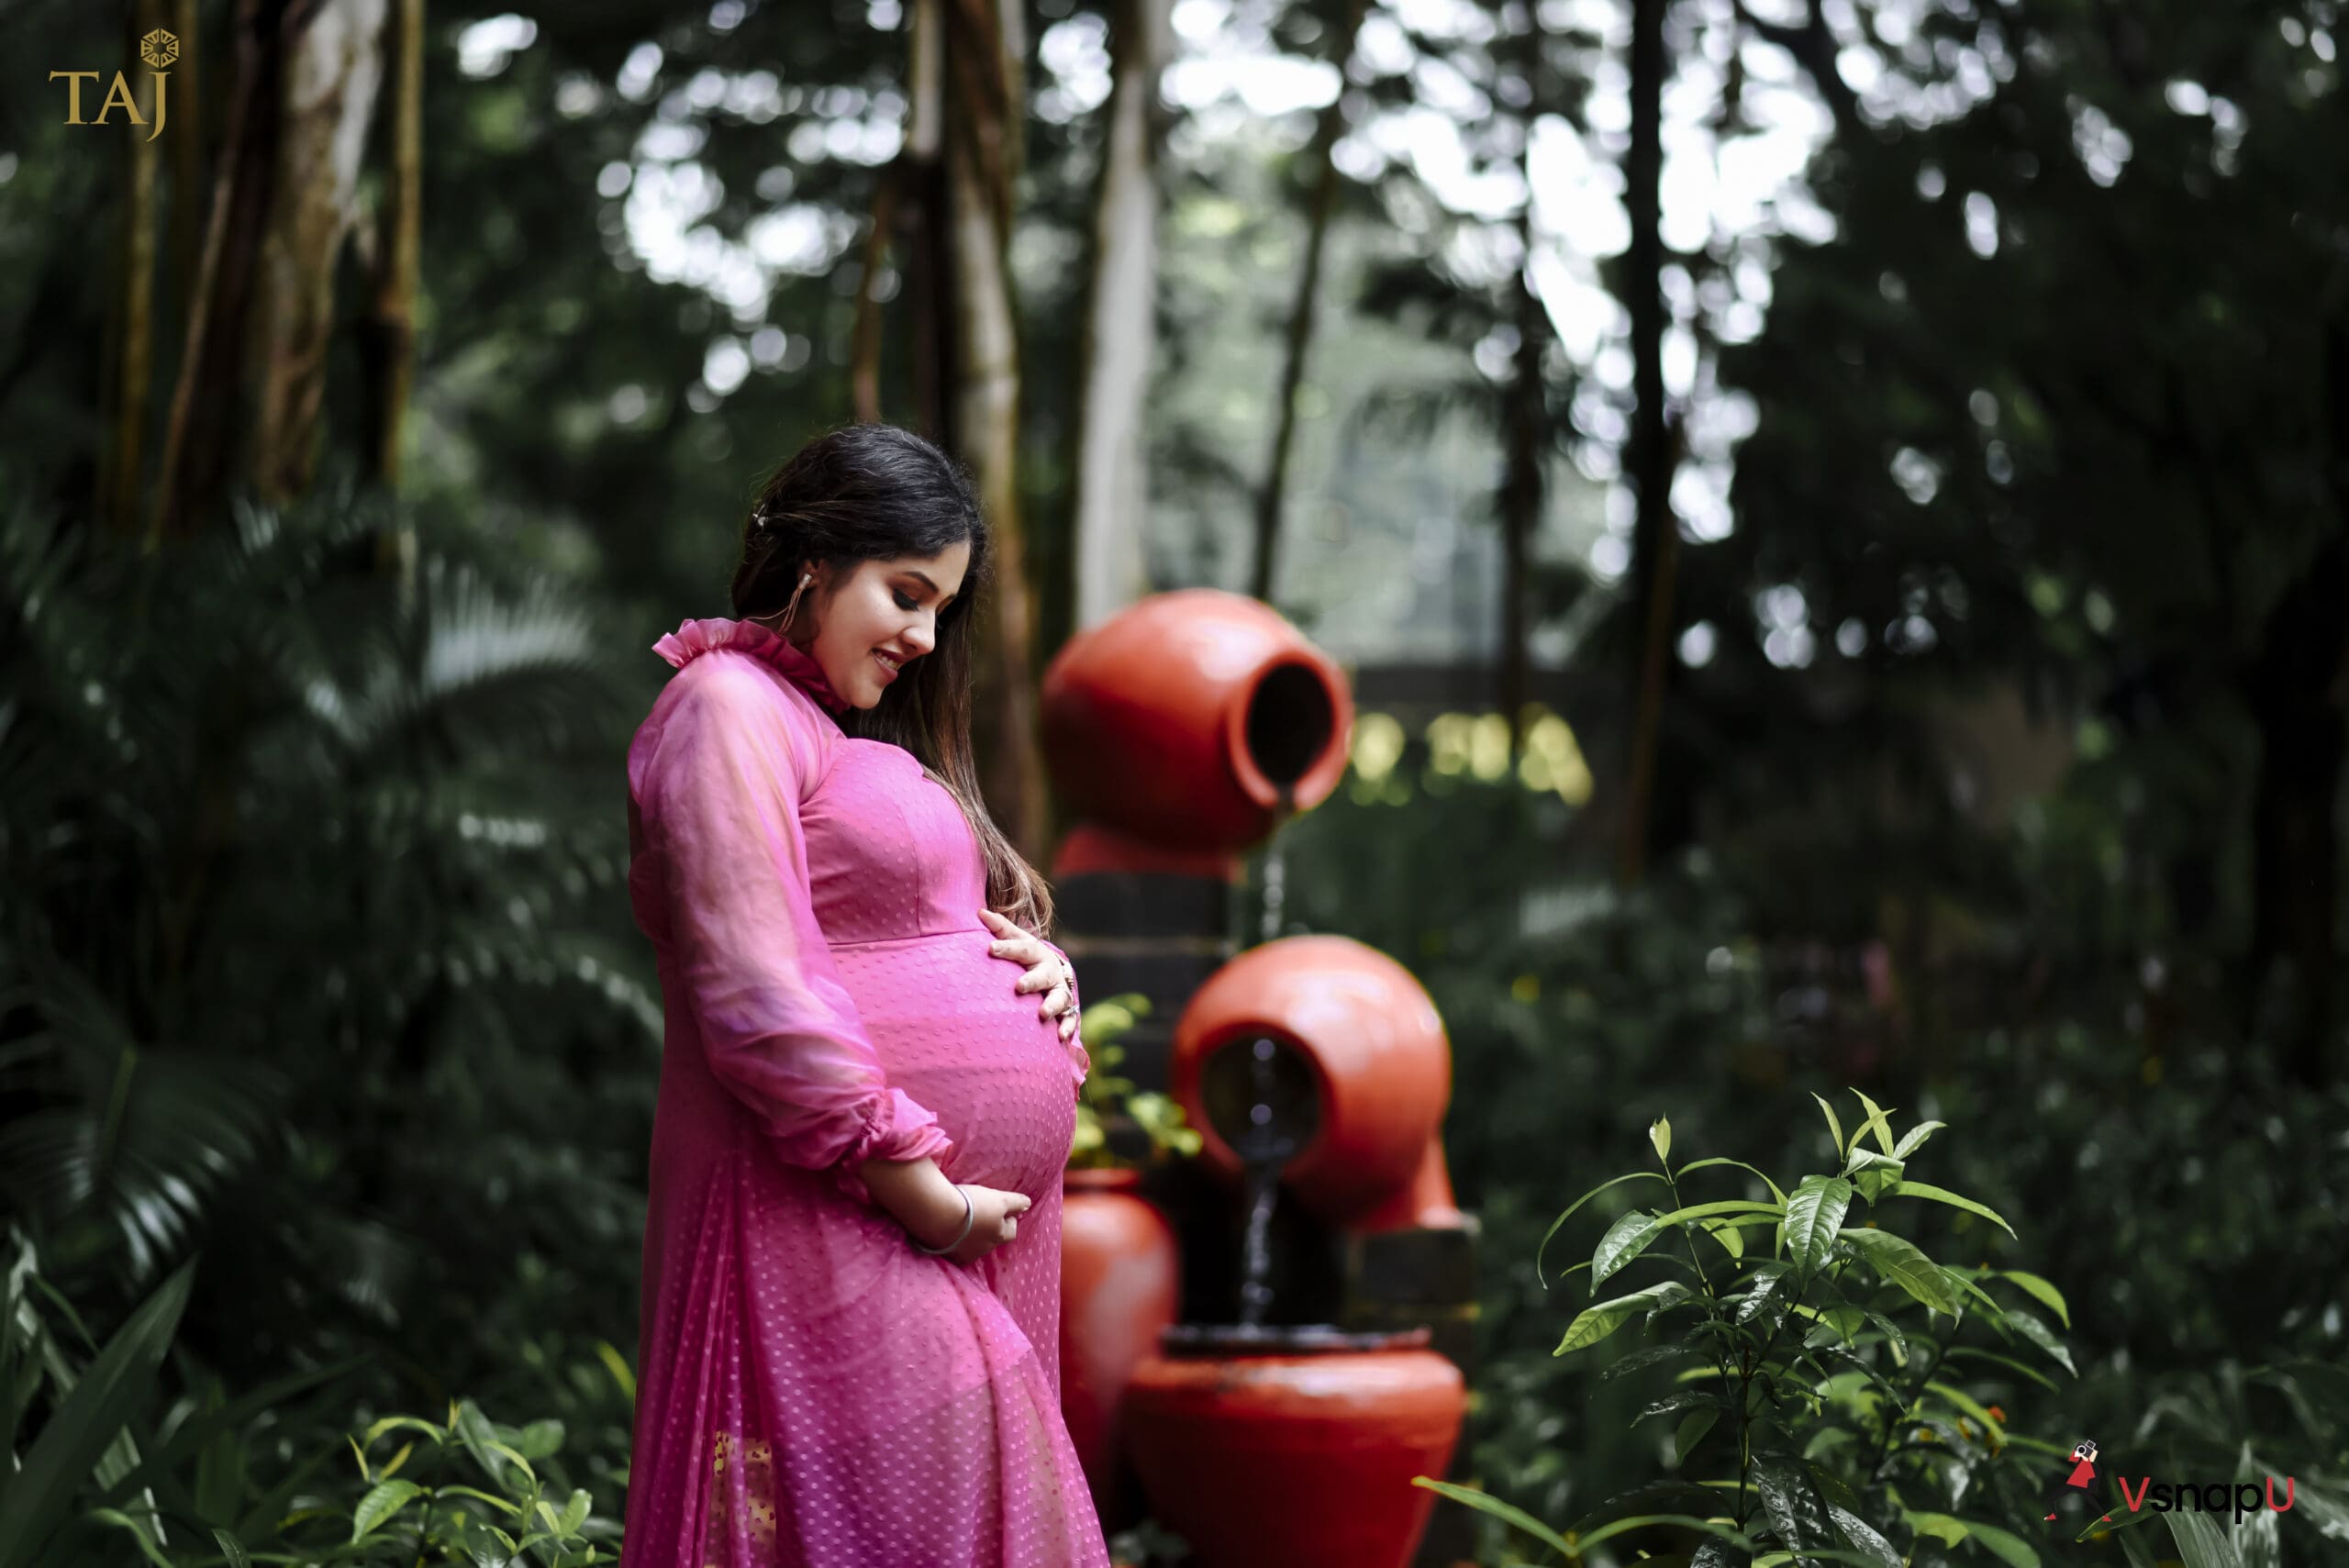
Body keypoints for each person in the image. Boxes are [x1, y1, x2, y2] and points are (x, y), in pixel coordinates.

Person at [617, 424, 1111, 1567]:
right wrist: (923, 1191)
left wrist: (1042, 973)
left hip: (887, 1218)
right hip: (837, 1213)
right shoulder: (723, 705)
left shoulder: (815, 727)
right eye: (905, 591)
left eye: (941, 605)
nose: (924, 636)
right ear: (812, 562)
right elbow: (756, 984)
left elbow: (899, 928)